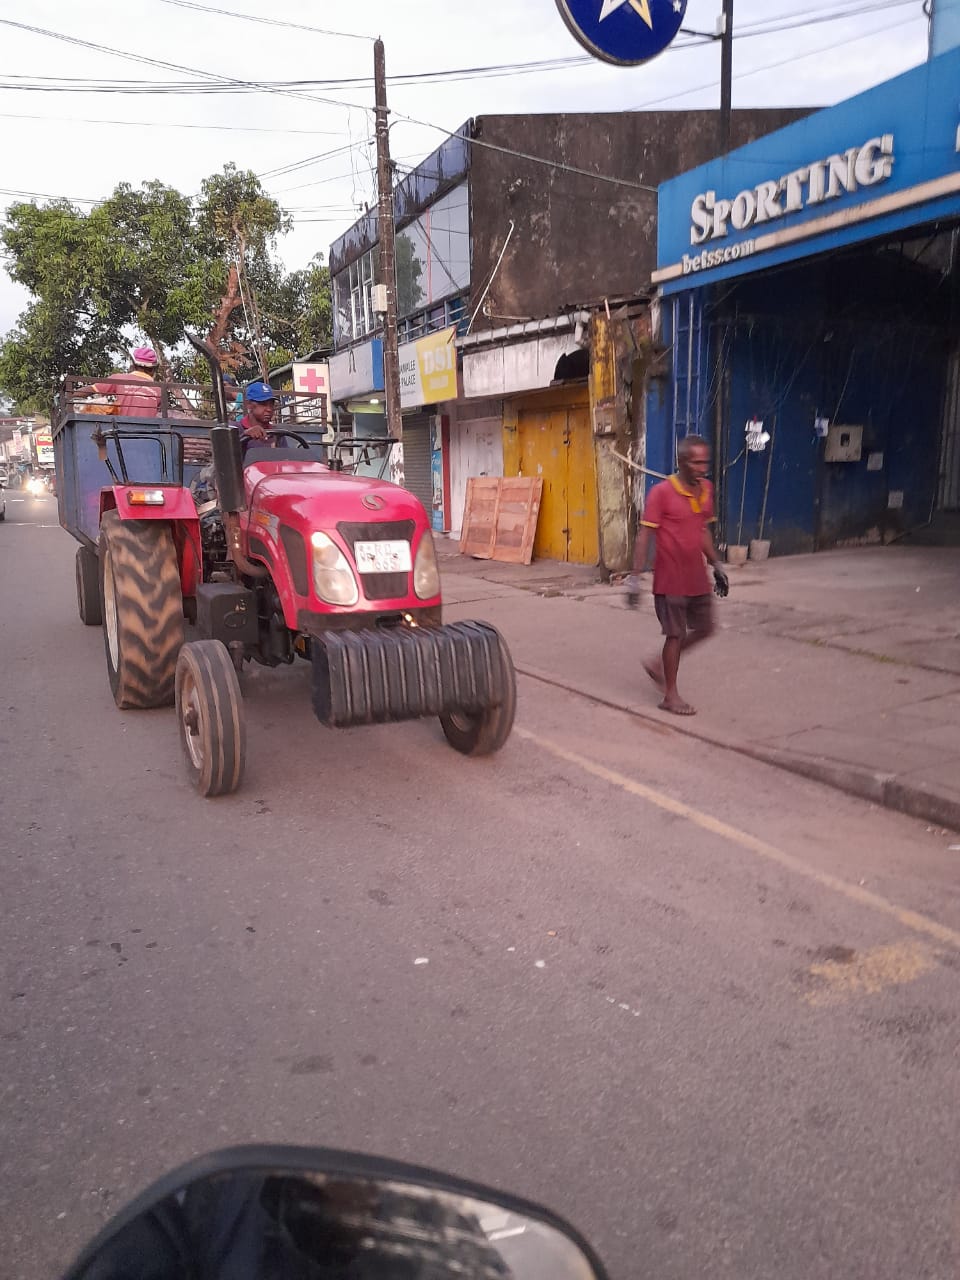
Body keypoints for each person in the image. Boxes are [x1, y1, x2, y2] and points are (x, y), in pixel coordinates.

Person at [626, 434, 728, 717]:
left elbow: (702, 530)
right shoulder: (661, 493)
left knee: (707, 627)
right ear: (681, 462)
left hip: (697, 577)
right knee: (675, 634)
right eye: (696, 462)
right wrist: (635, 579)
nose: (702, 467)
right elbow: (645, 535)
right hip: (670, 580)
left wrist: (716, 565)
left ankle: (659, 665)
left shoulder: (706, 489)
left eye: (704, 462)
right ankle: (670, 695)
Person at [79, 346, 163, 418]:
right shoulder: (158, 389)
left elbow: (87, 390)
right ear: (153, 369)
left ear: (133, 365)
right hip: (150, 435)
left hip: (121, 431)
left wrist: (70, 397)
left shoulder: (119, 378)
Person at [238, 380, 277, 454]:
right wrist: (244, 434)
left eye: (271, 404)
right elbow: (224, 452)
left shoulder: (277, 434)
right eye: (263, 404)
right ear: (248, 404)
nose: (269, 409)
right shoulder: (236, 429)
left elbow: (286, 460)